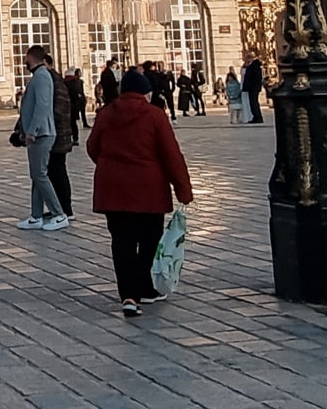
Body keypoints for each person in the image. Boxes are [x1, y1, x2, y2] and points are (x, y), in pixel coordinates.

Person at [86, 70, 194, 318]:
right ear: (146, 93)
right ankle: (141, 288)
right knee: (149, 241)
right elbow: (171, 155)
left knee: (122, 243)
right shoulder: (154, 115)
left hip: (113, 190)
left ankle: (130, 295)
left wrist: (110, 166)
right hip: (149, 190)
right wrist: (183, 190)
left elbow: (93, 147)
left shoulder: (106, 114)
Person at [13, 47, 69, 230]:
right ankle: (36, 216)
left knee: (40, 174)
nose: (25, 62)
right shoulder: (39, 76)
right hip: (39, 133)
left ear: (31, 58)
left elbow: (43, 106)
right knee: (37, 174)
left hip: (42, 133)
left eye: (26, 59)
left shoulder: (42, 76)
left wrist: (33, 130)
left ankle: (59, 214)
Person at [45, 56, 81, 221]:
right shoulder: (52, 80)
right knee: (53, 172)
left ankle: (65, 209)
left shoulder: (54, 82)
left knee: (58, 172)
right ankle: (58, 207)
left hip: (57, 135)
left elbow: (57, 109)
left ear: (49, 64)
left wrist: (46, 125)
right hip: (57, 133)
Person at [242, 58, 265, 123]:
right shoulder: (257, 67)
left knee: (253, 103)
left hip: (252, 88)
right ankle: (257, 116)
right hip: (255, 87)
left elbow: (249, 77)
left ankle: (257, 117)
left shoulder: (252, 67)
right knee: (254, 102)